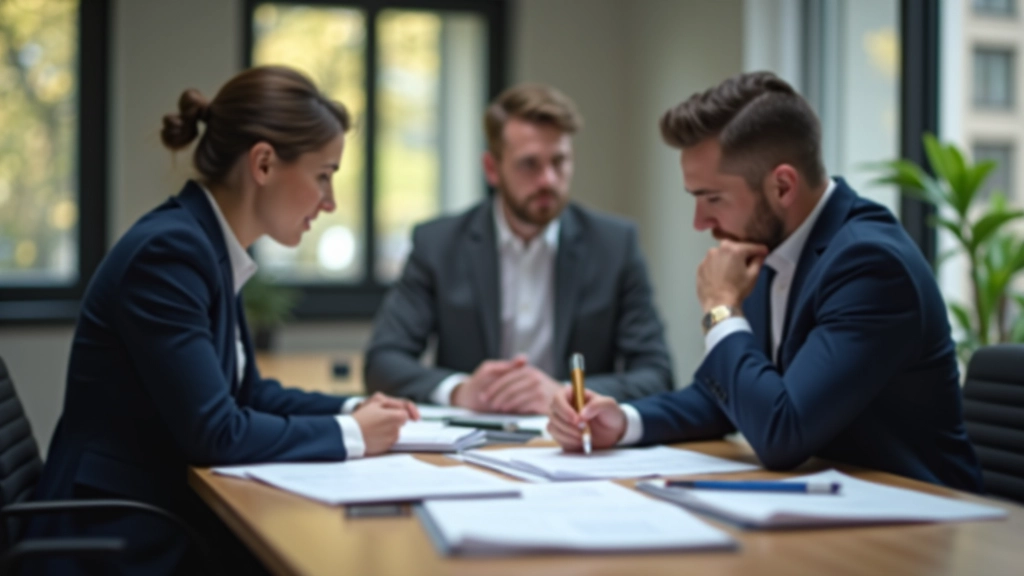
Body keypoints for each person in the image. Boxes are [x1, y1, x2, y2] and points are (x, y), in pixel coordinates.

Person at [25, 66, 418, 575]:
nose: (330, 202)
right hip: (116, 536)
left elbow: (246, 394)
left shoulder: (206, 244)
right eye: (324, 175)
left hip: (157, 514)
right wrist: (352, 434)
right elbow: (215, 431)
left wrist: (355, 407)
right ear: (263, 163)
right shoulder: (171, 251)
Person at [548, 71, 984, 492]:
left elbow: (782, 432)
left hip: (922, 521)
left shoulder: (868, 264)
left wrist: (721, 308)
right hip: (831, 509)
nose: (701, 223)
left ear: (782, 186)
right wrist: (624, 421)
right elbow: (723, 398)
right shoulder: (769, 246)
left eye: (712, 199)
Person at [364, 83, 673, 414]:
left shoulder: (614, 245)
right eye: (530, 164)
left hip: (576, 442)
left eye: (560, 162)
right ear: (492, 169)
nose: (548, 180)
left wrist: (567, 392)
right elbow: (383, 361)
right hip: (471, 440)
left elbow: (657, 374)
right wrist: (459, 390)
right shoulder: (439, 244)